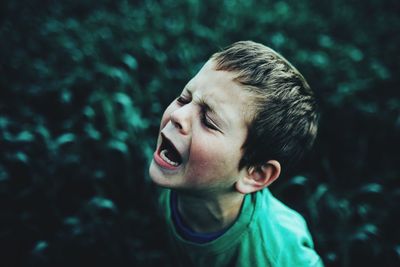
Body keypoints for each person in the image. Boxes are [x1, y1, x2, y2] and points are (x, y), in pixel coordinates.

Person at [149, 40, 323, 267]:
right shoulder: (170, 177)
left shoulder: (278, 252)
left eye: (209, 122)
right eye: (184, 98)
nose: (178, 115)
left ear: (256, 174)